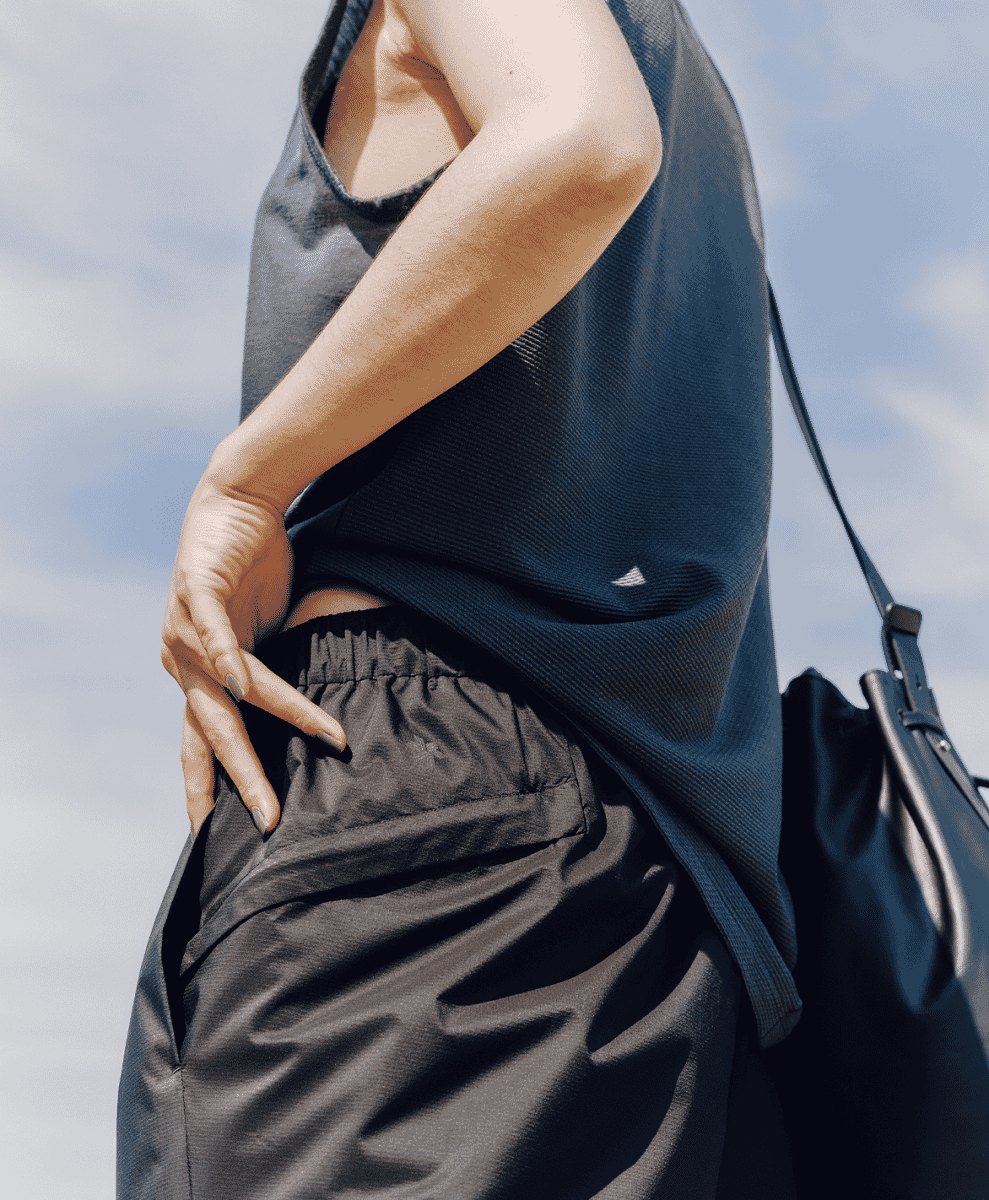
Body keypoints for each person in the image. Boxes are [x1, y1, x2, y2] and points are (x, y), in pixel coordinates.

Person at [117, 1, 800, 1195]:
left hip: (422, 808)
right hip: (672, 869)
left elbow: (581, 142)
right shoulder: (696, 88)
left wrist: (248, 484)